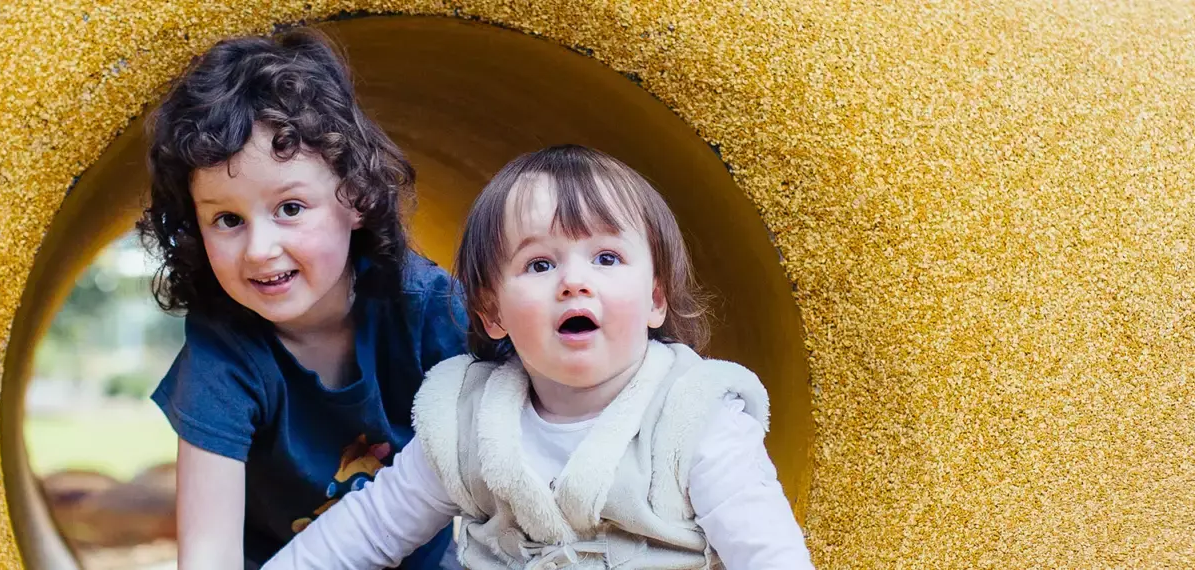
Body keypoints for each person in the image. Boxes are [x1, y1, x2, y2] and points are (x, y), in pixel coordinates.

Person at [264, 145, 815, 569]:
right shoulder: (468, 421)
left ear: (654, 298)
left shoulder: (696, 420)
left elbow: (767, 554)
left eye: (606, 256)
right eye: (540, 265)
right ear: (491, 311)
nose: (575, 281)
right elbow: (370, 527)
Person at [138, 27, 465, 570]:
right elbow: (207, 553)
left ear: (355, 197)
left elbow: (537, 420)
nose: (261, 250)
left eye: (290, 207)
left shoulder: (423, 305)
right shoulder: (225, 352)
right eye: (227, 219)